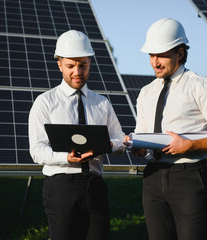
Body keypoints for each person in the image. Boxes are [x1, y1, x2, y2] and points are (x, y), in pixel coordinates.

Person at [130, 18, 207, 240]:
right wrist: (134, 145)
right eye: (151, 55)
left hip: (187, 178)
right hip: (152, 178)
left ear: (180, 53)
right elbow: (141, 140)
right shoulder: (146, 93)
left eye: (161, 55)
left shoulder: (201, 86)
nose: (155, 62)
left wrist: (190, 145)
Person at [28, 30, 125, 240]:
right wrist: (66, 158)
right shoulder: (45, 102)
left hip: (95, 185)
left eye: (83, 64)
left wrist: (108, 144)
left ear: (90, 63)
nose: (77, 71)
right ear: (59, 65)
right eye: (71, 66)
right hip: (61, 186)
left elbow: (121, 140)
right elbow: (37, 150)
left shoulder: (102, 103)